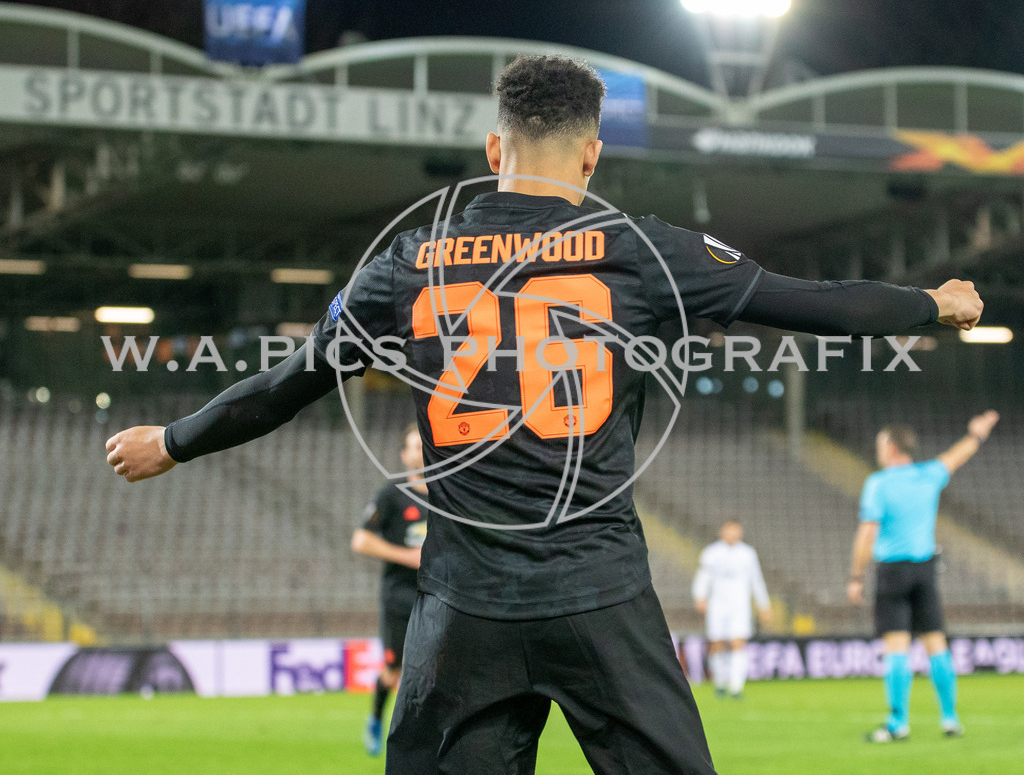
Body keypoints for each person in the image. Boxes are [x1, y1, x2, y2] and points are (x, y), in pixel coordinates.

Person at [105, 55, 985, 774]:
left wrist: (172, 442)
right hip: (599, 594)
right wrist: (930, 302)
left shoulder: (409, 262)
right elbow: (814, 303)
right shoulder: (643, 252)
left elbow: (286, 382)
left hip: (462, 610)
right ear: (592, 155)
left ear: (495, 148)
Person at [847, 410, 1000, 743]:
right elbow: (956, 457)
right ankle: (950, 718)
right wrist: (976, 435)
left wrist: (855, 575)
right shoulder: (928, 475)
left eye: (880, 444)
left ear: (889, 447)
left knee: (897, 646)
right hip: (925, 570)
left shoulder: (879, 484)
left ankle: (898, 721)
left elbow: (866, 533)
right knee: (936, 643)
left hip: (892, 572)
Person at [350, 424, 427, 756]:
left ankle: (429, 737)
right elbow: (361, 540)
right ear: (404, 455)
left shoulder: (451, 494)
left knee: (437, 670)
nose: (421, 451)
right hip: (400, 596)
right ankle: (376, 719)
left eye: (425, 444)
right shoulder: (392, 495)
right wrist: (409, 557)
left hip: (440, 595)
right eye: (414, 446)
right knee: (394, 671)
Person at [692, 519, 771, 699]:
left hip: (740, 605)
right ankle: (720, 682)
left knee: (738, 642)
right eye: (730, 530)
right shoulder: (711, 553)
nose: (734, 534)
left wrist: (764, 605)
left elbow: (756, 580)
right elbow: (702, 576)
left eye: (737, 531)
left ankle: (736, 687)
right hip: (717, 605)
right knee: (717, 643)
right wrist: (700, 596)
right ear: (722, 531)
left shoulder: (748, 553)